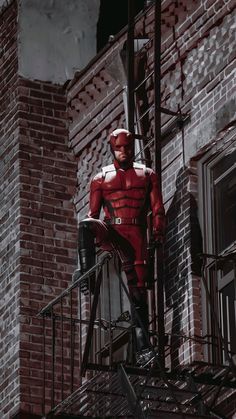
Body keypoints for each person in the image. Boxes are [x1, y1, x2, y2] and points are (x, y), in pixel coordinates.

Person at [76, 128, 165, 364]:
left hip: (136, 233)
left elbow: (157, 208)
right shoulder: (100, 179)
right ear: (112, 149)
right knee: (85, 225)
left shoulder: (147, 175)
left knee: (137, 293)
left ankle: (144, 349)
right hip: (113, 231)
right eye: (119, 148)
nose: (123, 151)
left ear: (132, 147)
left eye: (127, 147)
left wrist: (158, 230)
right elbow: (93, 214)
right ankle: (86, 274)